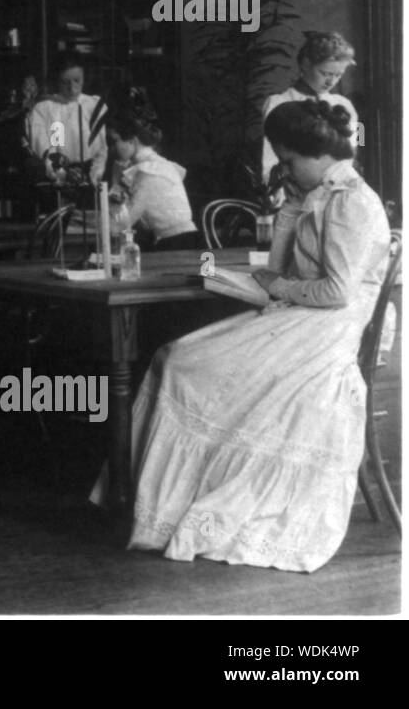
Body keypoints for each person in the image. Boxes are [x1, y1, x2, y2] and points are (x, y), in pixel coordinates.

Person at [93, 101, 391, 572]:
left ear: (312, 155)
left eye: (288, 162)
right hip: (300, 314)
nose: (285, 170)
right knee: (177, 354)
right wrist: (291, 208)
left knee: (183, 362)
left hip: (325, 328)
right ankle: (146, 503)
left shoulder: (351, 200)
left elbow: (336, 291)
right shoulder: (317, 193)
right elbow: (279, 267)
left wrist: (279, 287)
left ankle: (169, 505)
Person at [261, 30, 358, 181]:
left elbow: (357, 140)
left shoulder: (343, 104)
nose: (331, 82)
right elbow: (269, 157)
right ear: (306, 64)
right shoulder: (279, 103)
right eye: (325, 73)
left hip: (337, 186)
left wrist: (361, 143)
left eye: (338, 75)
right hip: (293, 189)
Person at [105, 96, 198, 250]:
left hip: (180, 244)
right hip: (175, 241)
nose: (111, 149)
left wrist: (115, 180)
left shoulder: (147, 171)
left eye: (114, 141)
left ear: (132, 141)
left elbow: (122, 223)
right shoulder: (154, 165)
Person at [25, 51, 108, 186]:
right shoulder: (45, 108)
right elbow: (45, 150)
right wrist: (62, 173)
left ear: (84, 77)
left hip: (90, 178)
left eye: (77, 80)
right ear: (57, 80)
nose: (72, 89)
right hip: (57, 179)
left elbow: (102, 150)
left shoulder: (95, 106)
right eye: (65, 82)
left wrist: (95, 175)